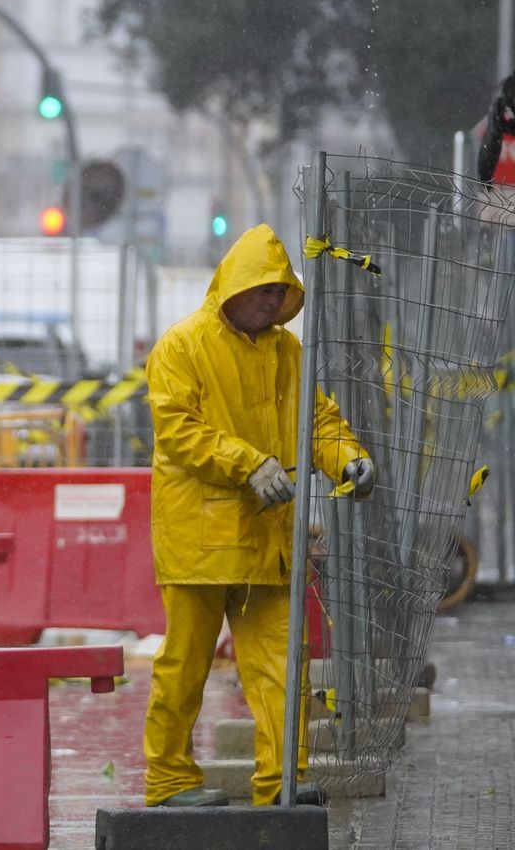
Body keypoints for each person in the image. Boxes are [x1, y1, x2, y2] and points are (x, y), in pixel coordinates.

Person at [143, 223, 374, 808]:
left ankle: (282, 783)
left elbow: (318, 421)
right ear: (234, 287)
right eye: (265, 289)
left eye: (281, 292)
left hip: (267, 539)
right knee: (184, 668)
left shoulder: (288, 352)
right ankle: (168, 780)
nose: (274, 302)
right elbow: (177, 432)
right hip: (200, 541)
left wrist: (348, 459)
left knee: (281, 668)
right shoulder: (183, 345)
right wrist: (248, 464)